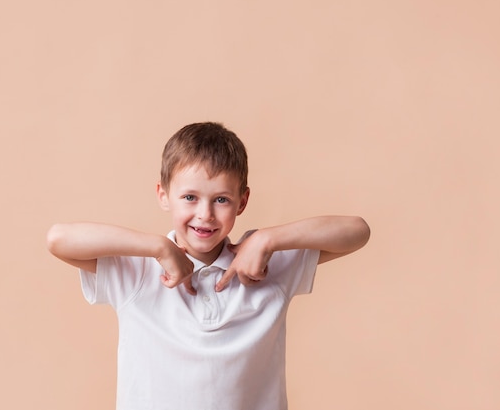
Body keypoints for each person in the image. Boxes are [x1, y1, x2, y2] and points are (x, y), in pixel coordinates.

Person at [47, 122, 370, 410]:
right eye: (190, 197)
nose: (205, 214)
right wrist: (158, 247)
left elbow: (357, 231)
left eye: (221, 199)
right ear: (163, 195)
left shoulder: (265, 264)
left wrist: (266, 240)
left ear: (242, 202)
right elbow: (59, 238)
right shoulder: (138, 271)